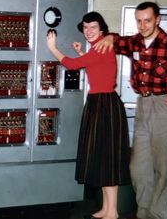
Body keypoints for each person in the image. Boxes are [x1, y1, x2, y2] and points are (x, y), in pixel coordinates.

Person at [94, 1, 167, 219]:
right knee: (137, 166)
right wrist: (109, 37)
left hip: (166, 106)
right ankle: (143, 210)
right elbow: (117, 40)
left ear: (158, 20)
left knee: (163, 167)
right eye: (139, 21)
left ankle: (156, 214)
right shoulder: (135, 42)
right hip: (143, 105)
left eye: (147, 20)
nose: (142, 26)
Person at [47, 11, 131, 219]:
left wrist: (53, 48)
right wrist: (84, 53)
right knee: (103, 157)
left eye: (93, 27)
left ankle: (112, 212)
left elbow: (73, 65)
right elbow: (97, 69)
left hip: (104, 104)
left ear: (101, 29)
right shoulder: (98, 47)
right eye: (85, 27)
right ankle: (107, 208)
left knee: (108, 158)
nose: (88, 31)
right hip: (100, 102)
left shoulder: (102, 45)